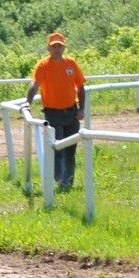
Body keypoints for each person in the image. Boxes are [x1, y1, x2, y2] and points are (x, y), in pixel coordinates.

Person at [27, 32, 86, 192]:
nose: (57, 49)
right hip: (53, 114)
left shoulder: (71, 64)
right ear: (49, 48)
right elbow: (34, 85)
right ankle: (59, 180)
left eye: (59, 45)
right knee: (57, 148)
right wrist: (28, 102)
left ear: (64, 47)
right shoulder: (43, 66)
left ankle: (68, 183)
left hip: (71, 112)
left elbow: (80, 86)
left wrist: (82, 109)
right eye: (54, 46)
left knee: (70, 150)